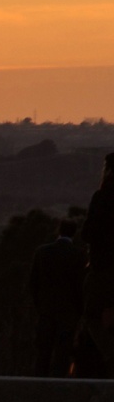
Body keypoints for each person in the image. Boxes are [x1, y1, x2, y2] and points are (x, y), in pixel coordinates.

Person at [30, 219, 88, 377]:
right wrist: (79, 311)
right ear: (74, 233)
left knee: (43, 352)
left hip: (46, 310)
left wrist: (39, 305)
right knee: (62, 353)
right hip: (68, 312)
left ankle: (38, 385)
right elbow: (81, 286)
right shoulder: (79, 254)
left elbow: (33, 283)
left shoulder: (42, 252)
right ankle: (59, 387)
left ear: (58, 231)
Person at [82, 154, 114, 377]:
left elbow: (87, 233)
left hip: (103, 268)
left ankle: (110, 355)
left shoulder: (101, 196)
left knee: (92, 316)